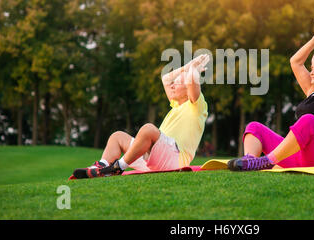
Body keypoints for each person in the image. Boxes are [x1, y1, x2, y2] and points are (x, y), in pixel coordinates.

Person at [228, 13, 314, 171]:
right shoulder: (312, 91)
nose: (311, 72)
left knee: (309, 121)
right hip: (300, 157)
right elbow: (296, 62)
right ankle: (250, 161)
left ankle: (266, 161)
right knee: (254, 127)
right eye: (312, 68)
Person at [72, 54, 210, 178]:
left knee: (148, 129)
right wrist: (187, 66)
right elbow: (166, 78)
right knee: (118, 136)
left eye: (178, 83)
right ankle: (101, 167)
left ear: (188, 90)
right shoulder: (176, 105)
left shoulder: (196, 106)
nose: (172, 86)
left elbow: (192, 80)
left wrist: (193, 68)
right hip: (156, 158)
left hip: (175, 160)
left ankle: (117, 167)